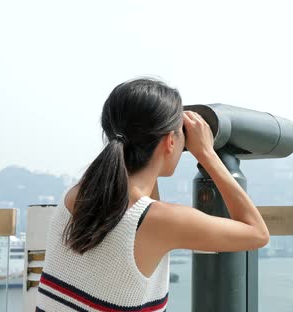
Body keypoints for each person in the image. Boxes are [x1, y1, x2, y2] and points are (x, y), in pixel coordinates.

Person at [35, 78, 270, 312]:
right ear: (170, 141)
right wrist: (207, 154)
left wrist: (159, 146)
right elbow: (258, 233)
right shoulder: (157, 221)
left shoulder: (76, 195)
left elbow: (143, 201)